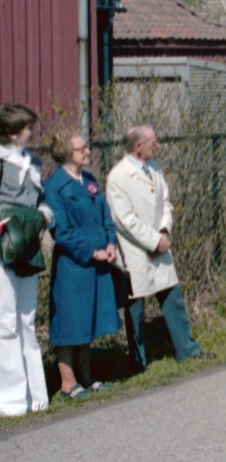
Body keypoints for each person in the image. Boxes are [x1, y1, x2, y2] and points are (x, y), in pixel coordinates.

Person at [107, 125, 213, 375]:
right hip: (135, 250)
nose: (158, 146)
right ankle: (138, 363)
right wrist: (153, 241)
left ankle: (187, 349)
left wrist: (164, 232)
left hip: (160, 246)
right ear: (138, 146)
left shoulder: (154, 168)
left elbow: (165, 202)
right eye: (154, 142)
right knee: (135, 308)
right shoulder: (118, 177)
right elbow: (124, 219)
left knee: (172, 298)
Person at [44, 132, 121, 399]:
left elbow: (106, 217)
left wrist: (110, 243)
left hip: (98, 260)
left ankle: (86, 377)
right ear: (67, 153)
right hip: (73, 264)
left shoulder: (90, 181)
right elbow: (61, 232)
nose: (88, 152)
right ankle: (67, 382)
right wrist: (91, 252)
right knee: (69, 321)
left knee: (87, 318)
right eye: (82, 149)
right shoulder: (54, 186)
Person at [0, 104, 51, 415]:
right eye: (27, 128)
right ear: (11, 132)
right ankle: (10, 398)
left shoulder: (34, 161)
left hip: (29, 243)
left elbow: (43, 201)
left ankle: (36, 393)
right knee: (5, 322)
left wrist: (43, 217)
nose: (32, 132)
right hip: (4, 245)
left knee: (26, 320)